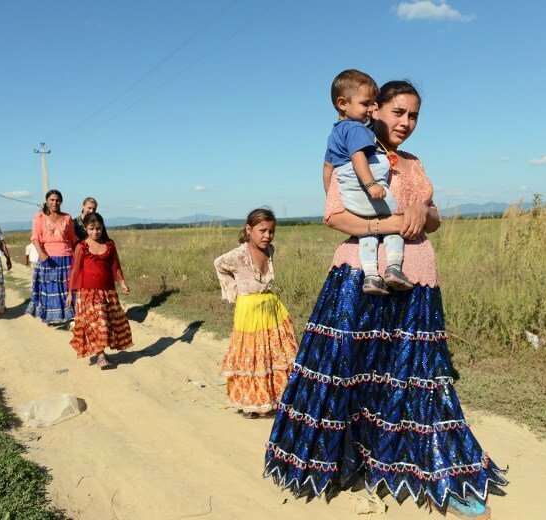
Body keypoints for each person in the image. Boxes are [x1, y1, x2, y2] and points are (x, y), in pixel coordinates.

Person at [264, 81, 505, 519]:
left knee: (416, 374)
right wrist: (391, 223)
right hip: (361, 275)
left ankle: (434, 468)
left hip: (417, 279)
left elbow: (433, 218)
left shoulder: (414, 163)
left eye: (413, 115)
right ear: (375, 111)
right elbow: (335, 214)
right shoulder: (353, 154)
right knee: (347, 370)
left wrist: (422, 214)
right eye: (398, 112)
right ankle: (341, 461)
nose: (405, 123)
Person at [323, 69, 411, 296]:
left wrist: (332, 194)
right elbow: (358, 157)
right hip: (366, 189)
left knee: (367, 233)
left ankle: (371, 274)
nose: (371, 109)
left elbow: (327, 168)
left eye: (374, 103)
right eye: (366, 104)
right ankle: (393, 266)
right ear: (342, 103)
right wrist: (371, 184)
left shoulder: (336, 132)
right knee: (394, 223)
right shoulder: (356, 129)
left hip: (350, 196)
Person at [214, 209, 299, 418]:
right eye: (262, 231)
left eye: (271, 231)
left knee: (275, 350)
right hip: (249, 310)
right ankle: (250, 402)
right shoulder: (237, 255)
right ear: (249, 229)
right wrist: (233, 290)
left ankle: (275, 396)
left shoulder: (271, 250)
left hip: (270, 306)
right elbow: (218, 264)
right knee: (251, 355)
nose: (267, 236)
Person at [66, 212, 133, 368]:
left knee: (106, 322)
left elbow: (115, 265)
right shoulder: (81, 247)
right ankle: (100, 355)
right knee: (97, 321)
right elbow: (74, 271)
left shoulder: (109, 245)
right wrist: (70, 292)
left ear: (102, 227)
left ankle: (101, 351)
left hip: (107, 291)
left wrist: (122, 282)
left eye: (98, 228)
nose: (95, 232)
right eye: (91, 229)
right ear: (85, 228)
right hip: (87, 292)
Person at [26, 189, 77, 324]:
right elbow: (35, 238)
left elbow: (72, 239)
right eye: (52, 200)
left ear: (61, 201)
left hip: (66, 257)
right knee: (50, 288)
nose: (55, 202)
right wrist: (41, 254)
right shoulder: (40, 217)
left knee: (67, 288)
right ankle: (51, 317)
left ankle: (69, 316)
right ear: (47, 201)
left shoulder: (67, 218)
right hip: (48, 258)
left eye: (57, 200)